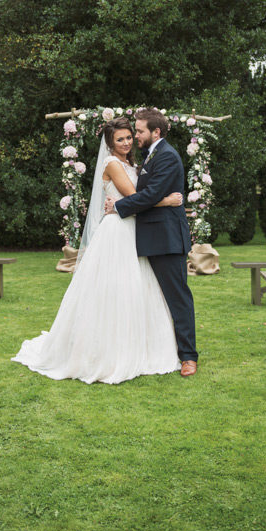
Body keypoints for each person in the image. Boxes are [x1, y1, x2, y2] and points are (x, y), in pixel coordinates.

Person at [11, 117, 183, 384]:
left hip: (133, 229)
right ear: (109, 143)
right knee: (113, 288)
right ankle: (106, 351)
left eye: (129, 137)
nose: (127, 142)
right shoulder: (112, 164)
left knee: (135, 287)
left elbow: (137, 197)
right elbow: (132, 196)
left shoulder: (131, 163)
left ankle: (139, 345)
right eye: (120, 139)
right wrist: (167, 201)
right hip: (117, 230)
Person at [104, 108, 198, 376]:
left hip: (166, 239)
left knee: (177, 298)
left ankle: (189, 357)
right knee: (152, 299)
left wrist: (119, 205)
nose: (136, 135)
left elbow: (150, 195)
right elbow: (148, 193)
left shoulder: (166, 156)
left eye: (140, 130)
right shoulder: (149, 155)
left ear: (156, 131)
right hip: (149, 238)